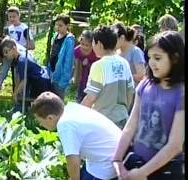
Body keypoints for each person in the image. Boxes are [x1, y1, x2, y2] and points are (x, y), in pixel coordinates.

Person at [112, 31, 184, 180]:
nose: (151, 63)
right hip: (136, 163)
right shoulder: (145, 85)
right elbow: (130, 126)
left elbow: (175, 145)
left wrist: (143, 172)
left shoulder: (181, 93)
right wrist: (117, 159)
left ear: (175, 58)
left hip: (167, 170)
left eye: (157, 58)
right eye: (150, 58)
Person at [31, 91, 121, 180]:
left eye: (40, 121)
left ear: (50, 118)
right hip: (116, 154)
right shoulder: (72, 108)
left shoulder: (65, 124)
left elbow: (73, 161)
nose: (40, 125)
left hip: (107, 164)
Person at [81, 25, 134, 129]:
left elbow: (91, 97)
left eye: (93, 42)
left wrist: (78, 114)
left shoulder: (99, 66)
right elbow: (131, 91)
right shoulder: (124, 63)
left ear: (99, 44)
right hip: (122, 118)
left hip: (103, 121)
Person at [0, 38, 50, 112]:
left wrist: (15, 93)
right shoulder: (18, 58)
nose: (6, 55)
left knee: (42, 104)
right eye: (4, 53)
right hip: (36, 80)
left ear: (14, 48)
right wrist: (16, 91)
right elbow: (20, 79)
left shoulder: (21, 61)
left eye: (7, 52)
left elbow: (24, 80)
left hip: (40, 82)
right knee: (35, 102)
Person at [47, 14, 75, 99]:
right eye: (56, 25)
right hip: (52, 72)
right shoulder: (55, 36)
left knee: (58, 99)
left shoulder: (69, 40)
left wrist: (64, 80)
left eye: (60, 25)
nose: (58, 27)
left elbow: (68, 61)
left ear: (67, 26)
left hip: (61, 76)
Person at [73, 30, 99, 102]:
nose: (84, 47)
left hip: (93, 75)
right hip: (82, 76)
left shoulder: (95, 52)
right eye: (82, 44)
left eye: (87, 45)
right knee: (81, 92)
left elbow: (98, 66)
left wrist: (88, 64)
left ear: (92, 45)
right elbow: (76, 66)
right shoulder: (77, 51)